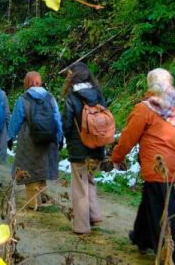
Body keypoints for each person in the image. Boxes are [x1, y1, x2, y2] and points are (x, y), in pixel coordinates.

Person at [111, 69, 175, 265]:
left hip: (157, 167)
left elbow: (128, 137)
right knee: (151, 199)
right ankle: (142, 237)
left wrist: (117, 156)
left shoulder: (145, 108)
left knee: (166, 209)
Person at [62, 62, 106, 234]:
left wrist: (68, 140)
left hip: (79, 147)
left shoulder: (72, 97)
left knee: (80, 186)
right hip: (97, 146)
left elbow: (67, 123)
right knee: (89, 180)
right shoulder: (98, 94)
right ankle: (94, 215)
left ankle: (81, 226)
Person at [8, 71, 62, 210]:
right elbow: (57, 118)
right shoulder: (50, 97)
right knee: (42, 167)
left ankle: (32, 204)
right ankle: (43, 198)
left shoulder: (23, 99)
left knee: (28, 168)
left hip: (29, 139)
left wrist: (10, 137)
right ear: (40, 81)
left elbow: (16, 120)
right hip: (49, 138)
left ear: (26, 82)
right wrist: (60, 136)